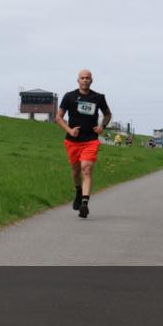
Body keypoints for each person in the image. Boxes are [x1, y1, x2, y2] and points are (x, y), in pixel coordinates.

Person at [56, 70, 112, 218]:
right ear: (78, 80)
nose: (85, 80)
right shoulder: (69, 96)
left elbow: (108, 114)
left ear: (92, 80)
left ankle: (84, 205)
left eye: (88, 78)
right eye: (82, 78)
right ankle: (78, 191)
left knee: (86, 169)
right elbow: (59, 117)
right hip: (72, 140)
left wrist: (102, 127)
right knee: (75, 171)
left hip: (91, 140)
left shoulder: (98, 97)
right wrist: (69, 129)